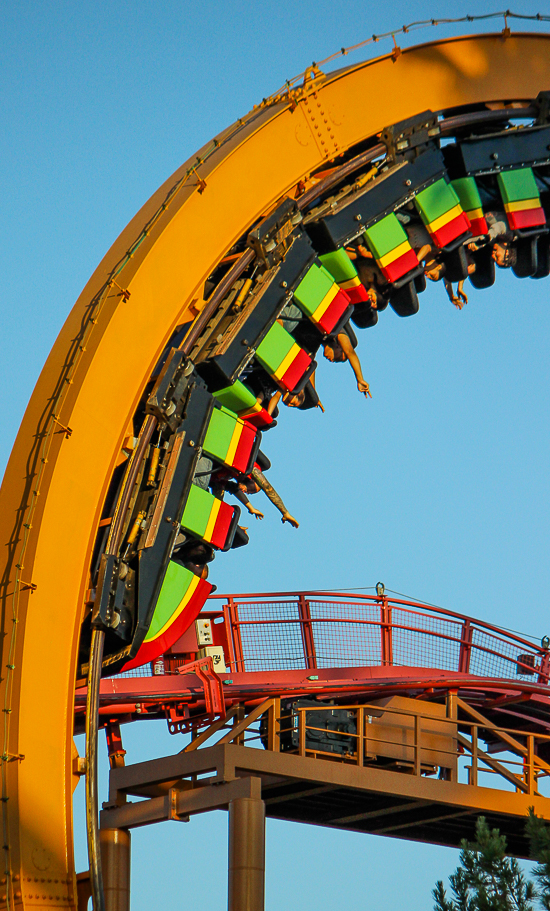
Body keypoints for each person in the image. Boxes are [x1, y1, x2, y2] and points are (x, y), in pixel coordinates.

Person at [212, 466, 299, 527]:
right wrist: (285, 512)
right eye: (250, 489)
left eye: (250, 493)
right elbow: (268, 489)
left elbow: (232, 490)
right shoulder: (247, 466)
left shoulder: (225, 479)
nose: (247, 492)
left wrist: (233, 526)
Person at [323, 327, 371, 398]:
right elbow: (350, 352)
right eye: (337, 358)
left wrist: (314, 397)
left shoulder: (316, 343)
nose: (332, 360)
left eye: (336, 361)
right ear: (339, 347)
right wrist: (360, 379)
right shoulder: (336, 331)